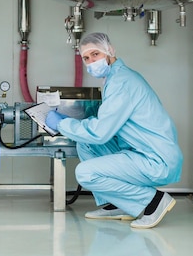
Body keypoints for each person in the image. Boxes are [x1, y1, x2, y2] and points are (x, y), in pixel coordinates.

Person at [45, 32, 183, 229]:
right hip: (142, 152)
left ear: (109, 51)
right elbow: (104, 122)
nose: (91, 61)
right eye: (86, 58)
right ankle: (120, 204)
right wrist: (71, 121)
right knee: (86, 145)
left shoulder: (121, 82)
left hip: (156, 160)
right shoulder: (115, 78)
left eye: (95, 54)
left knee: (85, 173)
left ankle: (153, 201)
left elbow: (100, 132)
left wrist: (61, 124)